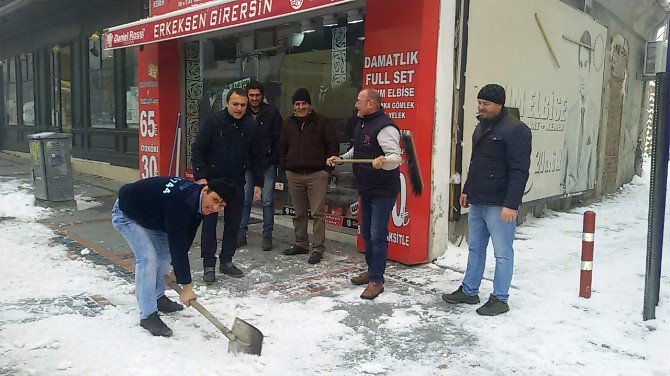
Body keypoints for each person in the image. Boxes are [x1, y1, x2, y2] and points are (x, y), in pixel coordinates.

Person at [442, 84, 532, 316]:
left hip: (499, 203)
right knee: (475, 248)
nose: (480, 107)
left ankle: (500, 298)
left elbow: (519, 170)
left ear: (499, 105)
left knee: (502, 253)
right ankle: (470, 291)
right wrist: (467, 190)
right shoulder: (482, 126)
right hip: (478, 199)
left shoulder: (516, 130)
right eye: (479, 103)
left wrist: (511, 204)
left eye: (486, 104)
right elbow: (476, 162)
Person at [111, 176, 237, 337]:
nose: (215, 207)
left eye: (221, 205)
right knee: (148, 258)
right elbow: (178, 245)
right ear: (205, 189)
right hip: (126, 213)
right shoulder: (180, 203)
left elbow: (186, 236)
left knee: (164, 256)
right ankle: (147, 315)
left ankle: (157, 297)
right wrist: (186, 286)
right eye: (214, 200)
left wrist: (177, 272)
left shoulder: (199, 201)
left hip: (153, 215)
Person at [327, 88, 401, 300]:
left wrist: (383, 162)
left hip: (383, 189)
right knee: (367, 233)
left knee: (378, 235)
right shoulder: (361, 123)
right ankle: (372, 270)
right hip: (366, 187)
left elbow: (395, 158)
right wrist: (342, 158)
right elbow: (357, 151)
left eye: (359, 101)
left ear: (370, 103)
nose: (355, 105)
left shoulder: (385, 127)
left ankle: (377, 280)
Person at [191, 88, 263, 283]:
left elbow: (257, 155)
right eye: (235, 104)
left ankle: (226, 261)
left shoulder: (250, 126)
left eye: (243, 105)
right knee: (209, 225)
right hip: (212, 182)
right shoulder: (212, 121)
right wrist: (200, 178)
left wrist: (258, 182)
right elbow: (198, 149)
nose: (239, 108)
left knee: (234, 224)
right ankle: (208, 265)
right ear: (227, 103)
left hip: (236, 182)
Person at [279, 88, 339, 264]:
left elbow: (332, 144)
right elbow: (282, 146)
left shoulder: (321, 122)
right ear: (293, 106)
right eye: (297, 104)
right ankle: (301, 243)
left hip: (316, 174)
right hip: (294, 174)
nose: (300, 107)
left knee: (318, 214)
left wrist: (327, 170)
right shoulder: (287, 123)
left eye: (304, 103)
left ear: (309, 105)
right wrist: (286, 168)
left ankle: (318, 248)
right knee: (299, 213)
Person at [238, 81, 283, 251]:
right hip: (247, 164)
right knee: (245, 200)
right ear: (247, 95)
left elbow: (279, 138)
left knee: (267, 201)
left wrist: (274, 158)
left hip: (267, 163)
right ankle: (241, 235)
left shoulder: (272, 112)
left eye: (257, 95)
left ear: (262, 96)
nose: (254, 98)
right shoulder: (242, 112)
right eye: (251, 95)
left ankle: (267, 236)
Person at [563, 30, 597, 194]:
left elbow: (593, 159)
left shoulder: (594, 113)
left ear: (590, 69)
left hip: (583, 188)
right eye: (580, 64)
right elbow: (565, 157)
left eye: (586, 65)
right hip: (569, 186)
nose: (582, 73)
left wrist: (590, 188)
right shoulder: (571, 114)